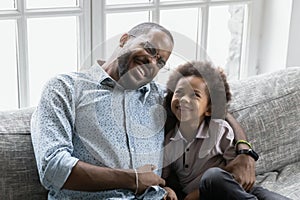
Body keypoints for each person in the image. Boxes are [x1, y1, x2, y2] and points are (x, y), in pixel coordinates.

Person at [31, 22, 255, 199]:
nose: (151, 63)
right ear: (124, 40)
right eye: (149, 49)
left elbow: (214, 108)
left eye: (160, 62)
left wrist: (245, 154)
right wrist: (133, 179)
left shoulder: (159, 96)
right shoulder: (66, 88)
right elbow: (53, 167)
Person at [162, 61, 290, 200]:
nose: (184, 99)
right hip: (206, 195)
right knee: (212, 177)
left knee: (215, 177)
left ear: (209, 109)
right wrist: (167, 189)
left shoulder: (219, 130)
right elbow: (164, 178)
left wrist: (196, 193)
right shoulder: (169, 141)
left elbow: (236, 171)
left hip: (233, 188)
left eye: (195, 95)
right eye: (179, 93)